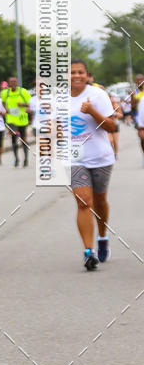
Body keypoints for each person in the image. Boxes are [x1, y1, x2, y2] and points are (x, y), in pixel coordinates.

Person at [69, 60, 117, 271]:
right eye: (72, 73)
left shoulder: (98, 95)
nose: (76, 76)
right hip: (74, 159)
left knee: (99, 201)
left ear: (86, 75)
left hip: (100, 158)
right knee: (83, 202)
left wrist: (92, 112)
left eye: (80, 72)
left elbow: (112, 125)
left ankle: (103, 236)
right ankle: (89, 251)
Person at [1, 76, 31, 167]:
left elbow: (31, 103)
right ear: (9, 83)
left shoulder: (23, 92)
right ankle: (16, 158)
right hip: (11, 120)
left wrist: (23, 104)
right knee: (14, 138)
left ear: (17, 82)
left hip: (22, 119)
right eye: (11, 82)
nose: (13, 83)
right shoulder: (5, 93)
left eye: (14, 81)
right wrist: (5, 108)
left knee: (23, 139)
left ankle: (26, 158)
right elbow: (3, 102)